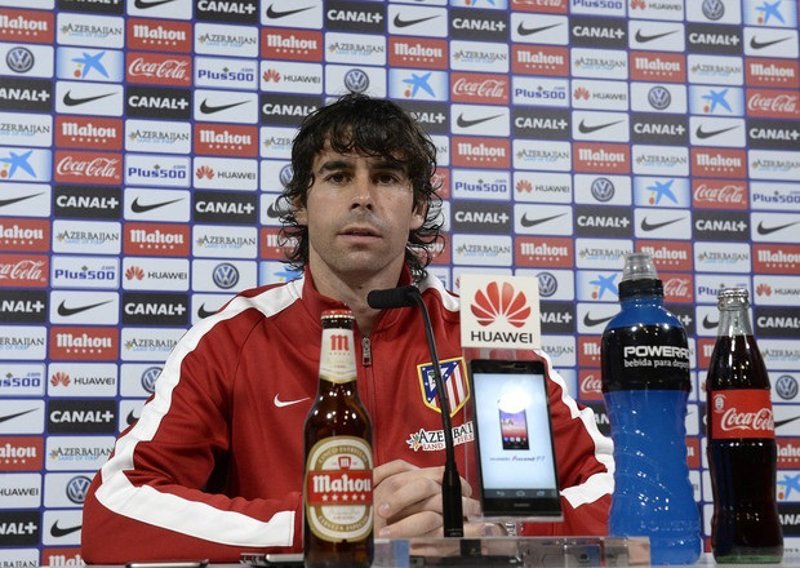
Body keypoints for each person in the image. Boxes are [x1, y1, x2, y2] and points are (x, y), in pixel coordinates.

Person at [81, 94, 613, 563]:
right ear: (300, 203)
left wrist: (490, 531)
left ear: (417, 207)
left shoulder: (482, 332)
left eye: (386, 177)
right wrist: (328, 525)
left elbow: (617, 490)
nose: (363, 196)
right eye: (338, 176)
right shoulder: (231, 340)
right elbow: (114, 511)